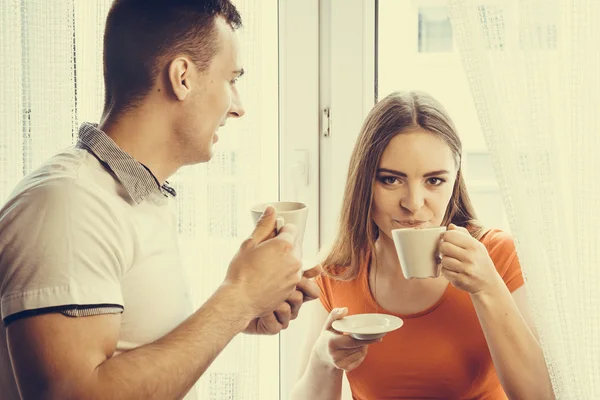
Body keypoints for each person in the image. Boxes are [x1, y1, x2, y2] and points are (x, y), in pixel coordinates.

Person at [0, 1, 321, 399]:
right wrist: (237, 298)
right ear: (182, 77)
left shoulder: (135, 198)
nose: (237, 107)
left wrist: (246, 310)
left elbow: (132, 355)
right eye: (231, 80)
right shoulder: (67, 205)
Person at [291, 91, 554, 399]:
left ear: (455, 180)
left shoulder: (497, 254)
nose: (413, 204)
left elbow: (543, 395)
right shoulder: (338, 270)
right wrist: (324, 361)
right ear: (364, 183)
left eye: (434, 181)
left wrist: (487, 287)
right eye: (391, 180)